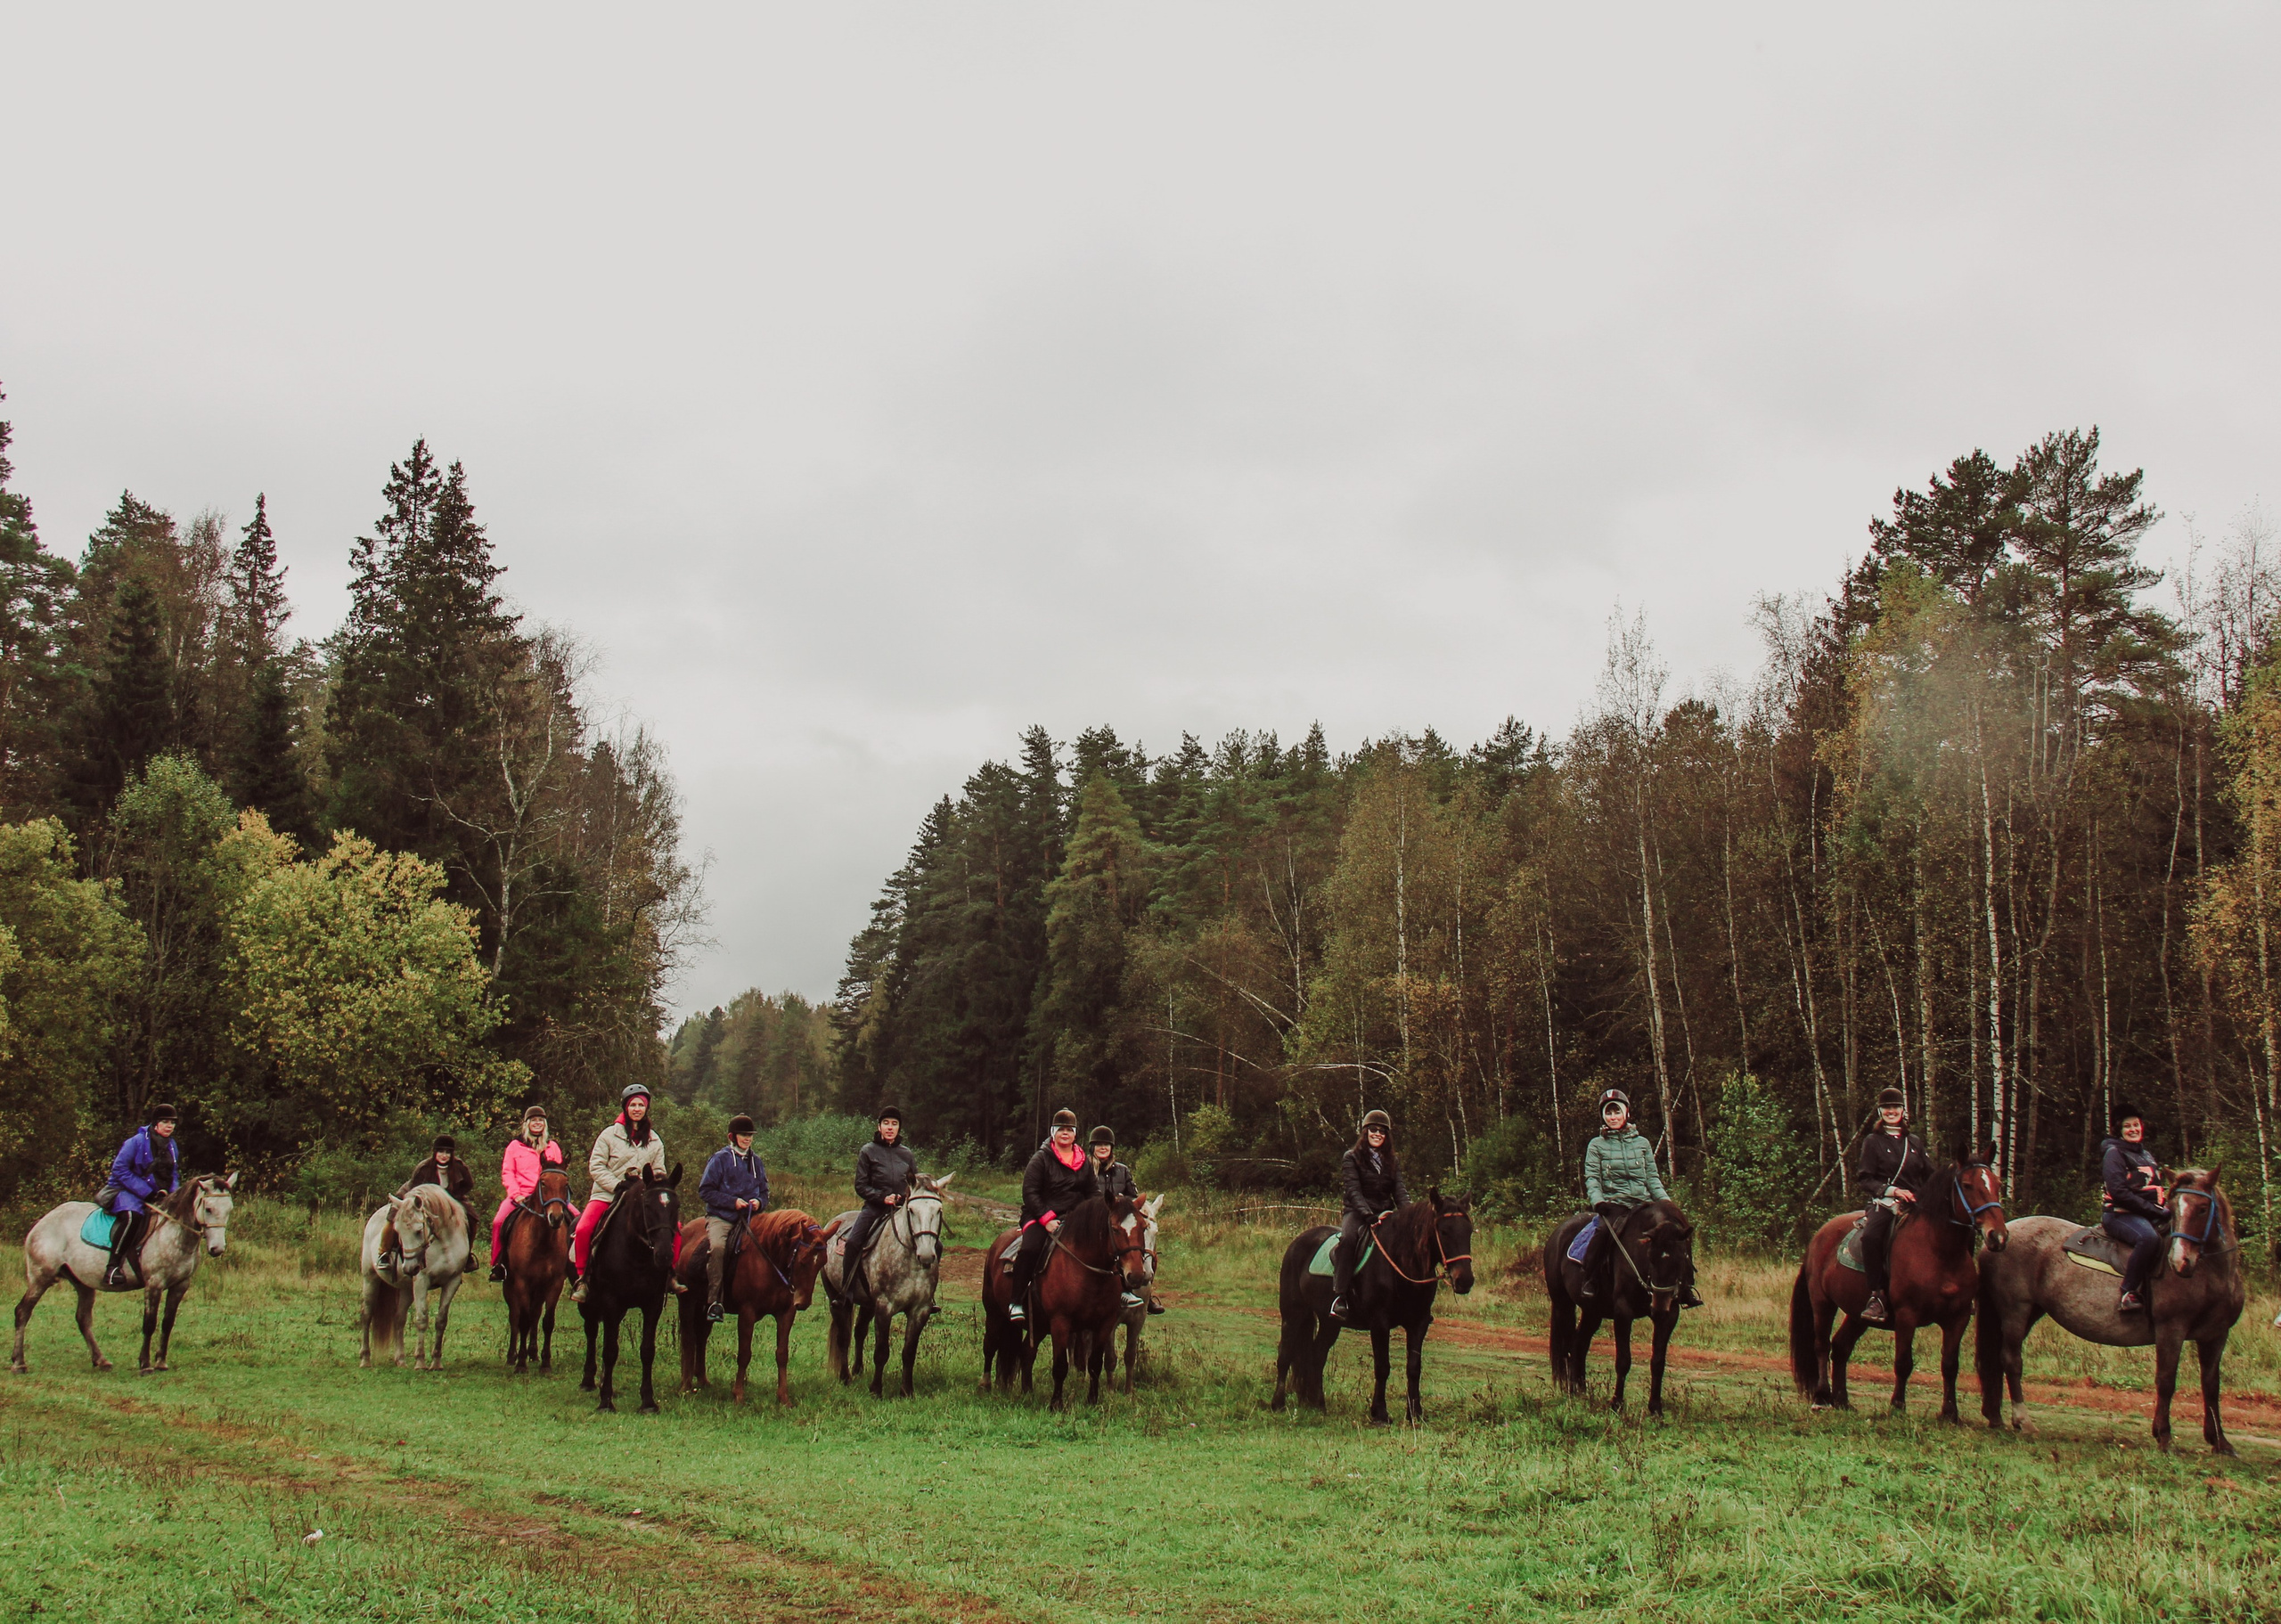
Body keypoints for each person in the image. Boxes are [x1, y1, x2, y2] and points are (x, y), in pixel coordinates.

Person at [1579, 1089, 1704, 1309]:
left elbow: (1652, 1179)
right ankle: (1591, 1279)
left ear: (1627, 1112)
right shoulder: (1596, 1145)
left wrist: (1666, 1204)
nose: (1613, 1117)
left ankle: (1686, 1287)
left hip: (1642, 1205)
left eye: (1617, 1111)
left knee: (1677, 1232)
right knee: (1602, 1234)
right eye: (1608, 1113)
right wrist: (1598, 1201)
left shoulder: (1642, 1144)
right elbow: (1592, 1178)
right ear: (1603, 1117)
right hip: (1614, 1206)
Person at [571, 1084, 675, 1302]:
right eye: (633, 1105)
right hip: (607, 1195)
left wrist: (655, 1186)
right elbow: (596, 1166)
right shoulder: (609, 1135)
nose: (637, 1109)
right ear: (625, 1107)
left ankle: (670, 1275)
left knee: (675, 1228)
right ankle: (583, 1278)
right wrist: (617, 1184)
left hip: (642, 1200)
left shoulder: (655, 1140)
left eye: (641, 1105)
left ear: (647, 1109)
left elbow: (659, 1171)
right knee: (583, 1228)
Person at [1007, 1109, 1098, 1323]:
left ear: (1075, 1134)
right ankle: (1016, 1301)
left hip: (1074, 1218)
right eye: (1061, 1130)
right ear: (1053, 1133)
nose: (1065, 1133)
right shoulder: (1040, 1159)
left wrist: (1094, 1213)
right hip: (1039, 1215)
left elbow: (1093, 1192)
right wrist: (1046, 1219)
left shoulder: (1083, 1161)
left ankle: (1121, 1292)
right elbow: (1030, 1192)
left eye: (1069, 1130)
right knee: (1030, 1248)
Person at [1853, 1086, 1933, 1324]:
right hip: (1886, 1203)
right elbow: (1865, 1178)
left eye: (1895, 1107)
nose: (1891, 1111)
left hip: (1916, 1205)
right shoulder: (1873, 1141)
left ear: (1902, 1110)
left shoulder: (1915, 1142)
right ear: (1880, 1111)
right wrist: (1895, 1191)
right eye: (1886, 1107)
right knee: (1871, 1238)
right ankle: (1877, 1296)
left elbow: (1931, 1175)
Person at [1331, 1109, 1407, 1322]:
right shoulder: (1351, 1157)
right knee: (1348, 1240)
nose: (1377, 1134)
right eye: (1373, 1130)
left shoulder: (1393, 1160)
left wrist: (1409, 1215)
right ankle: (1340, 1296)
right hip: (1356, 1212)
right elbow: (1353, 1190)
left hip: (1385, 1211)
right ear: (1365, 1132)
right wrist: (1367, 1214)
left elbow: (1399, 1190)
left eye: (1382, 1131)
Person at [698, 1114, 770, 1324]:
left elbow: (765, 1192)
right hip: (722, 1217)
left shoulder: (756, 1161)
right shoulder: (719, 1159)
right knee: (719, 1248)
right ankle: (714, 1302)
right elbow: (705, 1190)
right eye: (743, 1135)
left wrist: (759, 1202)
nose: (747, 1139)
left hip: (750, 1217)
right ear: (732, 1136)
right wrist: (732, 1202)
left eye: (750, 1135)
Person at [98, 1103, 179, 1288]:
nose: (170, 1126)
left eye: (173, 1123)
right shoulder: (135, 1142)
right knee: (132, 1216)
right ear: (155, 1123)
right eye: (165, 1122)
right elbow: (119, 1170)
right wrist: (147, 1192)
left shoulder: (172, 1145)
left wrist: (172, 1193)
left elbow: (173, 1173)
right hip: (124, 1190)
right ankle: (112, 1268)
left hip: (155, 1194)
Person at [844, 1106, 917, 1305]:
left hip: (902, 1210)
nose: (890, 1128)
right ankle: (847, 1291)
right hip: (875, 1208)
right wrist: (882, 1198)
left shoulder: (907, 1154)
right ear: (879, 1126)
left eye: (894, 1124)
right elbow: (860, 1185)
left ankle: (926, 1292)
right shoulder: (868, 1151)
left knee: (934, 1244)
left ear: (899, 1128)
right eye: (886, 1123)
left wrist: (904, 1198)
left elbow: (914, 1184)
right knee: (852, 1243)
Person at [2100, 1101, 2169, 1314]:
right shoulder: (2114, 1153)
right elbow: (2120, 1193)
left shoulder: (2145, 1154)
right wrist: (2155, 1211)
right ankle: (2128, 1292)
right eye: (2128, 1126)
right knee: (2149, 1238)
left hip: (2145, 1213)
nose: (2133, 1130)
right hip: (2120, 1214)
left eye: (2136, 1125)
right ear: (2119, 1130)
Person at [489, 1106, 568, 1283]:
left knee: (577, 1219)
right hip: (522, 1196)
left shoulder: (553, 1147)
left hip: (550, 1197)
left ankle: (575, 1267)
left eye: (540, 1120)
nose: (537, 1123)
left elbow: (559, 1174)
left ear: (545, 1124)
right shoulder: (514, 1147)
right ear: (526, 1124)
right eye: (533, 1120)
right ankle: (499, 1264)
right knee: (498, 1222)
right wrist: (515, 1194)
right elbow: (508, 1172)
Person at [1087, 1126, 1159, 1313]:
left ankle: (1143, 1294)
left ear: (1111, 1148)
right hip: (1094, 1222)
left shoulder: (1123, 1171)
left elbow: (1133, 1197)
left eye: (1106, 1145)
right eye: (1098, 1145)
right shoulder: (1085, 1170)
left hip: (1118, 1221)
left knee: (1140, 1248)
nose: (1103, 1148)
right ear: (1092, 1147)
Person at [384, 1135, 480, 1275]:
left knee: (472, 1217)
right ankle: (386, 1253)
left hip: (450, 1198)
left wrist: (452, 1199)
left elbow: (468, 1184)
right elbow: (414, 1190)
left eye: (448, 1152)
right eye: (441, 1151)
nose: (444, 1156)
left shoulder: (459, 1167)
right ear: (435, 1152)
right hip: (416, 1195)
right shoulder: (424, 1168)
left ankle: (468, 1255)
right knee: (394, 1216)